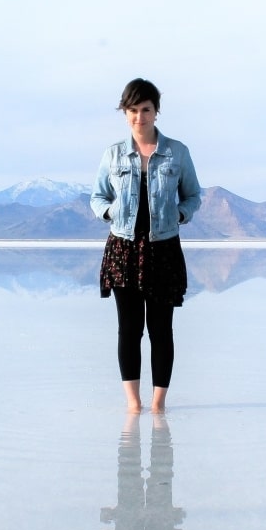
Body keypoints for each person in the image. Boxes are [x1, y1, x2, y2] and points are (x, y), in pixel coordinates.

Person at [91, 78, 202, 413]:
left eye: (146, 109)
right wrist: (109, 211)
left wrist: (181, 214)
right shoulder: (112, 154)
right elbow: (97, 197)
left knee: (161, 330)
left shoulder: (177, 153)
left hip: (163, 249)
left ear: (156, 111)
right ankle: (133, 404)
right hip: (123, 249)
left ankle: (158, 404)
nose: (139, 117)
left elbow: (194, 194)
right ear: (125, 114)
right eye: (133, 110)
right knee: (129, 330)